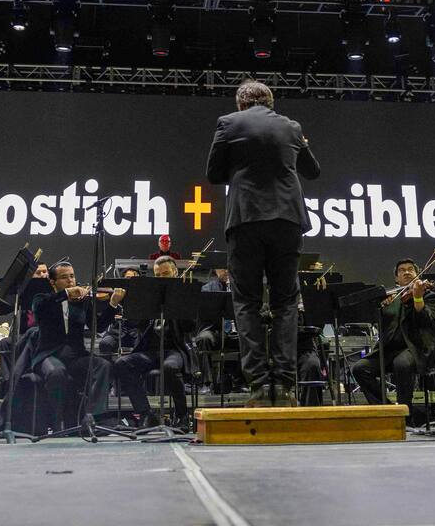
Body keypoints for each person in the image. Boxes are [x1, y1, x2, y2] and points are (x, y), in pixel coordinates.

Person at [206, 78, 320, 407]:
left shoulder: (228, 123)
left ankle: (257, 386)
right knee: (286, 302)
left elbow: (214, 174)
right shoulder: (291, 126)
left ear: (241, 103)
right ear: (270, 101)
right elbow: (312, 171)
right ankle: (285, 387)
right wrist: (301, 144)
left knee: (246, 303)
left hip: (246, 220)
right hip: (287, 220)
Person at [29, 261, 120, 433]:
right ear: (52, 282)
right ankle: (57, 423)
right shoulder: (42, 298)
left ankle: (92, 417)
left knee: (104, 366)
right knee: (57, 373)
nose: (71, 281)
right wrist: (66, 293)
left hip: (75, 356)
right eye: (64, 277)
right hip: (49, 355)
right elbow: (40, 308)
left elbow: (98, 326)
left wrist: (112, 304)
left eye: (72, 276)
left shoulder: (82, 301)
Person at [112, 255, 196, 427]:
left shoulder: (185, 294)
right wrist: (133, 304)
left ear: (175, 272)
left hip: (174, 350)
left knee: (170, 367)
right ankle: (145, 414)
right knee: (122, 364)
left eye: (166, 274)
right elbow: (136, 323)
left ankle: (182, 416)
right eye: (158, 275)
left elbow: (190, 326)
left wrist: (176, 305)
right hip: (151, 351)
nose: (161, 278)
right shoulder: (149, 294)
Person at [351, 258, 435, 420]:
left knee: (402, 363)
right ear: (396, 279)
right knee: (359, 368)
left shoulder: (428, 295)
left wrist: (418, 298)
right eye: (402, 270)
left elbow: (428, 321)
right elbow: (379, 326)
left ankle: (405, 416)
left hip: (414, 348)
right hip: (388, 349)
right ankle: (387, 410)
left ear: (416, 274)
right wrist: (380, 308)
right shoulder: (390, 298)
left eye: (410, 269)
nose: (406, 272)